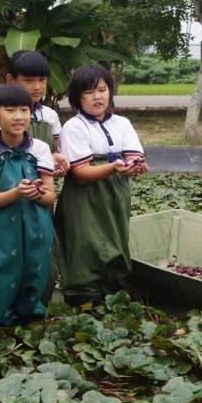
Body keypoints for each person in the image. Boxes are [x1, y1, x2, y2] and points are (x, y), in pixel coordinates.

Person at [54, 64, 148, 306]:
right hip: (85, 198)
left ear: (110, 91)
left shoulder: (122, 123)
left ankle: (114, 289)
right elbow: (82, 173)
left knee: (116, 237)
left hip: (116, 194)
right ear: (77, 98)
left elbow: (134, 156)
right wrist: (114, 167)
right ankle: (83, 295)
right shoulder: (73, 127)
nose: (97, 97)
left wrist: (136, 165)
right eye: (88, 92)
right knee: (86, 242)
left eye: (102, 89)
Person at [0, 84, 56, 329]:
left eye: (24, 110)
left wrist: (36, 193)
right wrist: (16, 193)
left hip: (35, 226)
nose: (19, 117)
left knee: (33, 268)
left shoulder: (41, 149)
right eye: (10, 110)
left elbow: (50, 197)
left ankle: (29, 315)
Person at [0, 50, 70, 176]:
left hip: (44, 183)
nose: (37, 86)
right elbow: (0, 155)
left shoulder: (50, 115)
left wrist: (59, 163)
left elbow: (56, 150)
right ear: (10, 80)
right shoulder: (2, 117)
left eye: (42, 79)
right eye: (28, 80)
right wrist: (45, 162)